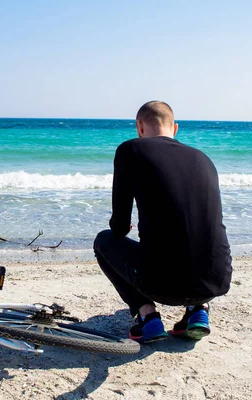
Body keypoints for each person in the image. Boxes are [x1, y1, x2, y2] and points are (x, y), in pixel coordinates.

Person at [93, 101, 232, 343]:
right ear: (175, 128)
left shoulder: (130, 150)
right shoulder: (203, 158)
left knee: (104, 241)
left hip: (162, 284)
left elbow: (119, 226)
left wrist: (127, 227)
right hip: (216, 279)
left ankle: (147, 316)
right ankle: (198, 311)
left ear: (139, 126)